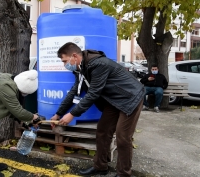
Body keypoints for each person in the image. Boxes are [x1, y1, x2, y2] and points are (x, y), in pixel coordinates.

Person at [50, 42, 145, 177]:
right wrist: (58, 114)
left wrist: (72, 114)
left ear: (74, 56)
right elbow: (73, 92)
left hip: (130, 97)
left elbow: (93, 94)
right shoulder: (80, 69)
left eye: (64, 60)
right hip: (113, 100)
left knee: (123, 137)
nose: (64, 64)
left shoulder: (98, 64)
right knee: (103, 131)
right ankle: (100, 167)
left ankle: (124, 174)